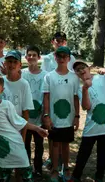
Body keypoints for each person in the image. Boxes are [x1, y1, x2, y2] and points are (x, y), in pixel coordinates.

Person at [0, 73, 48, 182]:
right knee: (3, 176)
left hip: (15, 142)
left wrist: (38, 129)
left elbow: (20, 122)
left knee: (26, 174)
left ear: (2, 90)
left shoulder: (7, 105)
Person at [42, 46, 80, 182]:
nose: (62, 59)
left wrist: (77, 117)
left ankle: (66, 168)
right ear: (55, 58)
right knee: (55, 144)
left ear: (69, 59)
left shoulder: (74, 77)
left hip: (68, 118)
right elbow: (46, 97)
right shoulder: (49, 76)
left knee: (65, 144)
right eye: (59, 56)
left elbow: (76, 98)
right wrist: (46, 116)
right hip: (54, 118)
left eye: (65, 56)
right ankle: (54, 170)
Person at [21, 45, 47, 179]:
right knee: (25, 144)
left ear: (39, 57)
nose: (31, 57)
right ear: (26, 57)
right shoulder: (22, 73)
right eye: (29, 55)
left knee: (38, 145)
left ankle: (38, 169)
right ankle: (26, 168)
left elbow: (46, 95)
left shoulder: (44, 75)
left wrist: (45, 114)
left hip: (39, 115)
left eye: (34, 55)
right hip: (25, 116)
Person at [1, 50, 34, 141]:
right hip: (1, 127)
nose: (12, 65)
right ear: (5, 63)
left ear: (20, 65)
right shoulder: (0, 82)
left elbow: (25, 112)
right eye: (9, 62)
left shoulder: (24, 84)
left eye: (15, 62)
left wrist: (23, 136)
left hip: (16, 129)